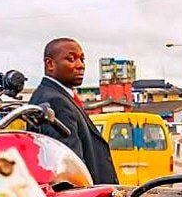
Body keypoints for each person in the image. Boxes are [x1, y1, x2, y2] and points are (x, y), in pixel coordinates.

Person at [31, 38, 118, 184]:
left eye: (82, 59)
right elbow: (70, 170)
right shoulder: (55, 101)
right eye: (71, 59)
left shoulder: (57, 96)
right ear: (50, 64)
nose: (80, 65)